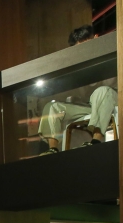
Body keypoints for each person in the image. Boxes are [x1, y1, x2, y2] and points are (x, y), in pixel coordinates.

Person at [37, 25, 118, 154]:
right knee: (52, 107)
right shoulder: (79, 64)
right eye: (79, 49)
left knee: (102, 91)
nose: (84, 52)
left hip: (113, 99)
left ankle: (95, 141)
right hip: (88, 106)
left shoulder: (111, 49)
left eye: (86, 46)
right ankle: (53, 149)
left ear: (96, 38)